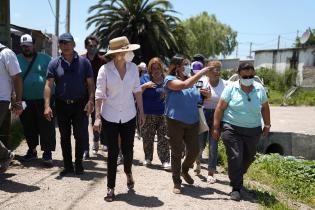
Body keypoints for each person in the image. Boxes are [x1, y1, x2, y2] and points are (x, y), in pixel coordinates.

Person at [93, 36, 144, 202]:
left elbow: (137, 91)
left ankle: (128, 172)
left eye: (126, 50)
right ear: (114, 54)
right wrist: (97, 118)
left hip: (129, 114)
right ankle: (111, 187)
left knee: (128, 150)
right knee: (113, 152)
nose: (125, 53)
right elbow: (99, 95)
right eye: (121, 51)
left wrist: (141, 112)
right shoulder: (105, 70)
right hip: (110, 115)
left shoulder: (133, 68)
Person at [212, 62, 271, 201]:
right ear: (239, 75)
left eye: (251, 75)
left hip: (253, 130)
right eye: (245, 76)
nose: (248, 78)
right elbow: (220, 108)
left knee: (249, 157)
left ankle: (237, 176)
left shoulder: (259, 88)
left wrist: (267, 125)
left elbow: (265, 107)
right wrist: (216, 127)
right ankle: (236, 188)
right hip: (232, 128)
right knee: (235, 156)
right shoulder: (231, 88)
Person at [44, 33, 94, 176]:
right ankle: (67, 166)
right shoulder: (54, 63)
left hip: (80, 104)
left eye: (68, 42)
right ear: (59, 45)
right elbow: (48, 85)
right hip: (61, 104)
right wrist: (47, 106)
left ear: (73, 44)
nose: (65, 45)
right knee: (64, 136)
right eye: (62, 43)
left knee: (80, 135)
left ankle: (78, 164)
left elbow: (91, 84)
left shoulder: (85, 63)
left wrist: (91, 101)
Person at [164, 55, 211, 194]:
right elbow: (183, 86)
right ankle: (176, 181)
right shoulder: (169, 79)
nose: (187, 67)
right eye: (184, 64)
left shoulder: (191, 81)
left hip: (193, 121)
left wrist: (205, 95)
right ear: (177, 67)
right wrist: (202, 73)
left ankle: (184, 169)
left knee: (195, 150)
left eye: (188, 64)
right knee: (177, 152)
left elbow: (198, 99)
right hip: (175, 121)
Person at [17, 34, 56, 166]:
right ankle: (32, 151)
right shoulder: (16, 60)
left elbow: (54, 76)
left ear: (34, 45)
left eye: (28, 46)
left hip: (44, 100)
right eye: (23, 46)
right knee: (29, 127)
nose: (26, 49)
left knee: (46, 127)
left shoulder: (46, 58)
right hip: (26, 100)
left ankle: (47, 153)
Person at [194, 60, 226, 184]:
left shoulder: (225, 84)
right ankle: (197, 161)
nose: (217, 71)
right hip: (203, 113)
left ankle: (211, 172)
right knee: (200, 144)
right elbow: (194, 97)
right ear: (207, 71)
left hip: (217, 115)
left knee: (213, 145)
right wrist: (202, 96)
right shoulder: (201, 81)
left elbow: (227, 102)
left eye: (219, 68)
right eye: (214, 68)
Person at [140, 57, 170, 170]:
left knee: (164, 138)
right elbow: (136, 91)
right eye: (153, 68)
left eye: (158, 68)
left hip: (163, 113)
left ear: (161, 68)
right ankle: (148, 158)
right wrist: (145, 86)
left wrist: (166, 94)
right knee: (147, 137)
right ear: (150, 69)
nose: (156, 70)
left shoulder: (166, 80)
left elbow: (172, 93)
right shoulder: (145, 78)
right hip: (148, 113)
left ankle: (165, 160)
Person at [82, 35, 107, 158]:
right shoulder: (81, 60)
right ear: (86, 46)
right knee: (83, 123)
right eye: (90, 46)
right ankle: (85, 149)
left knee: (97, 120)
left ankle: (97, 140)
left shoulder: (103, 61)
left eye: (95, 46)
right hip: (83, 97)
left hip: (99, 97)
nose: (92, 48)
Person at [0, 43, 23, 172]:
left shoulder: (6, 53)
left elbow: (17, 77)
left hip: (2, 99)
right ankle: (4, 155)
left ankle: (5, 155)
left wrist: (18, 101)